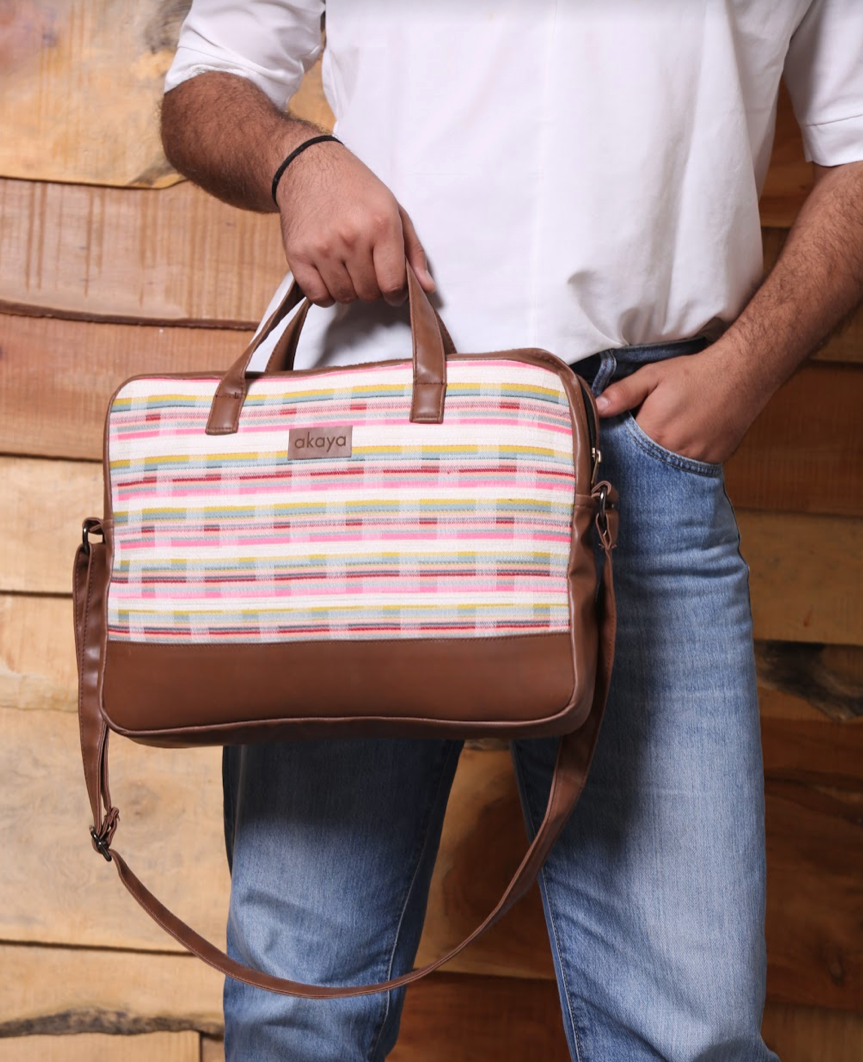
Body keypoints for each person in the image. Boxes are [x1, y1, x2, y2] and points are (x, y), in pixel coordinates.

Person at [160, 3, 863, 1059]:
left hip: (638, 450)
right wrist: (297, 160)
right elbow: (204, 84)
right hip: (367, 452)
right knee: (296, 1011)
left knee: (688, 1035)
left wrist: (743, 372)